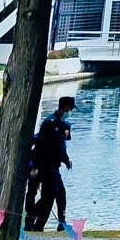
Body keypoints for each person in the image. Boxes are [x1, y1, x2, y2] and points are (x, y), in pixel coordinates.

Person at [25, 94, 75, 231]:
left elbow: (59, 146)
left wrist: (65, 159)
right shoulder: (50, 122)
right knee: (49, 195)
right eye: (70, 109)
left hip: (54, 165)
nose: (70, 112)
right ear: (65, 107)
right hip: (44, 165)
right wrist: (34, 166)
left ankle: (52, 223)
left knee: (58, 194)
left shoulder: (62, 123)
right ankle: (32, 219)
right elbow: (40, 145)